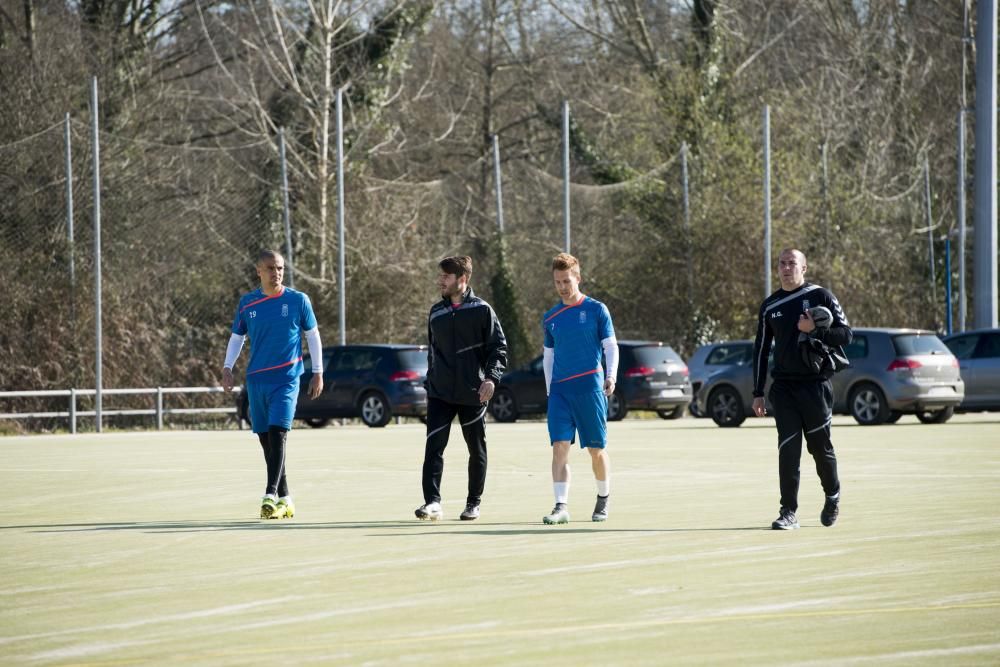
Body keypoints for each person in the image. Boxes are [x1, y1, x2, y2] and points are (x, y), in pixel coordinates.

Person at [752, 248, 852, 530]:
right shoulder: (770, 305)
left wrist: (814, 330)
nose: (786, 268)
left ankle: (832, 495)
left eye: (792, 263)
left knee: (820, 448)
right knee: (788, 449)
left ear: (803, 268)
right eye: (782, 264)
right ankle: (788, 512)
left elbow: (846, 334)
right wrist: (757, 391)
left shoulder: (821, 296)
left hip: (815, 386)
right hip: (783, 388)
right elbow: (760, 349)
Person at [222, 250, 323, 520]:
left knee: (279, 433)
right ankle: (286, 499)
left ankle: (269, 493)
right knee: (267, 442)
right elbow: (236, 338)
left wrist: (317, 372)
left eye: (279, 268)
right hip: (257, 381)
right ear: (258, 271)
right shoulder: (247, 303)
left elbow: (312, 335)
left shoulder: (298, 300)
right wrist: (227, 368)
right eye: (270, 268)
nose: (276, 272)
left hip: (287, 378)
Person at [416, 256, 508, 521]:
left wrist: (490, 378)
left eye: (445, 276)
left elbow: (498, 349)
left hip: (473, 392)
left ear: (462, 279)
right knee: (433, 447)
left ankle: (473, 503)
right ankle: (432, 502)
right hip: (440, 393)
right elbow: (433, 351)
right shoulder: (436, 312)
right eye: (440, 276)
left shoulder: (482, 310)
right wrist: (431, 381)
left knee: (476, 449)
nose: (440, 281)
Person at [541, 253, 618, 525]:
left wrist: (611, 376)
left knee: (596, 450)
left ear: (578, 278)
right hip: (560, 392)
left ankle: (603, 498)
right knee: (559, 448)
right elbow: (548, 356)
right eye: (557, 282)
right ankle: (561, 506)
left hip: (590, 389)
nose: (562, 286)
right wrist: (550, 390)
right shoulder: (551, 317)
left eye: (566, 280)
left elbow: (610, 346)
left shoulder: (597, 310)